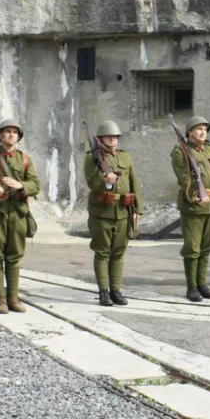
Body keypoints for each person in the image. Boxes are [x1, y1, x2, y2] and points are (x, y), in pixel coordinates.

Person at [0, 119, 42, 314]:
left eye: (14, 132)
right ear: (0, 136)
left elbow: (36, 185)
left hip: (18, 212)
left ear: (18, 136)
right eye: (7, 132)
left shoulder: (25, 160)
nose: (11, 135)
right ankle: (1, 300)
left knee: (14, 257)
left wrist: (21, 186)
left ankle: (13, 297)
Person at [172, 116, 210, 302]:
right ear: (189, 132)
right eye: (198, 129)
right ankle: (191, 287)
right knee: (192, 247)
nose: (202, 132)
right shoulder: (180, 152)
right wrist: (197, 195)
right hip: (194, 207)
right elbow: (184, 179)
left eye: (205, 129)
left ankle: (202, 284)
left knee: (208, 246)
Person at [85, 120, 142, 307]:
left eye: (116, 137)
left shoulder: (125, 157)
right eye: (109, 136)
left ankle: (115, 290)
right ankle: (103, 291)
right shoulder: (91, 157)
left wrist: (138, 210)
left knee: (118, 253)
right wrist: (107, 183)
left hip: (124, 211)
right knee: (102, 252)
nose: (113, 140)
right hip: (101, 212)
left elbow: (134, 183)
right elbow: (92, 182)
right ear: (100, 139)